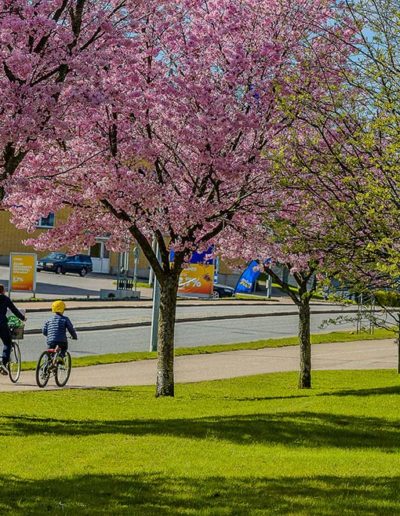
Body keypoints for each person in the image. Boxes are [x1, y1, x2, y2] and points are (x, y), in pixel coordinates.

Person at [0, 284, 26, 375]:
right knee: (7, 343)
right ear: (2, 291)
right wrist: (23, 318)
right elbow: (14, 310)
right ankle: (3, 363)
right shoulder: (5, 299)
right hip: (1, 324)